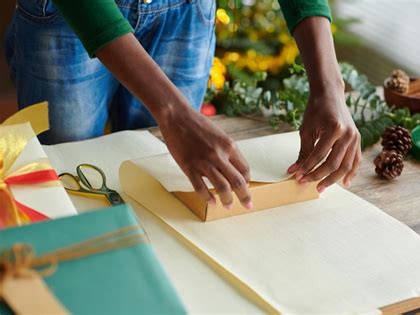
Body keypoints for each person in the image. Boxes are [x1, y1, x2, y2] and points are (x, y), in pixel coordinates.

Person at [5, 0, 360, 210]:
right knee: (65, 174)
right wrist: (173, 112)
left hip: (186, 11)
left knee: (166, 178)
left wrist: (329, 85)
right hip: (70, 13)